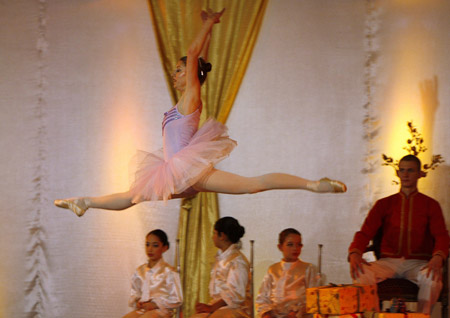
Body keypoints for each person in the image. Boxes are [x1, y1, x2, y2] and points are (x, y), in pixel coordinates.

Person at [54, 9, 346, 217]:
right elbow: (198, 59)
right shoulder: (180, 102)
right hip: (177, 174)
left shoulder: (193, 98)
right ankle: (84, 202)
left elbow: (194, 57)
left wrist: (209, 24)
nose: (175, 73)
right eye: (176, 70)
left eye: (179, 70)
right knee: (133, 197)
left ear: (190, 74)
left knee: (252, 185)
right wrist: (206, 33)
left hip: (187, 172)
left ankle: (313, 185)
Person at [348, 154, 450, 314]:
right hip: (388, 262)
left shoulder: (431, 205)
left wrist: (438, 256)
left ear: (419, 174)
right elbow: (365, 232)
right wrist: (355, 252)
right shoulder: (383, 204)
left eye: (410, 170)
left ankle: (422, 317)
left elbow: (441, 236)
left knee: (432, 279)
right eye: (402, 170)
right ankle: (375, 315)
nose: (405, 174)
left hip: (418, 263)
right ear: (397, 173)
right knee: (361, 274)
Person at [192, 216, 251, 318]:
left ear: (222, 236)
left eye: (214, 233)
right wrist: (209, 307)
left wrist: (211, 308)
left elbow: (235, 295)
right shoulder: (222, 258)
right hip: (220, 307)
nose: (212, 237)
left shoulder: (237, 261)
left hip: (235, 310)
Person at [256, 228, 319, 318]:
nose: (295, 248)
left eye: (299, 245)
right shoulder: (272, 269)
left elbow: (313, 299)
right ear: (280, 247)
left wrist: (296, 313)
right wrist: (266, 314)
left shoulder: (308, 269)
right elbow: (262, 297)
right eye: (290, 244)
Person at [123, 229, 183, 318]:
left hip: (161, 311)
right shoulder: (140, 271)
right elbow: (135, 292)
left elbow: (177, 299)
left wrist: (155, 304)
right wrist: (138, 301)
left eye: (155, 245)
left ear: (165, 248)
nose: (150, 249)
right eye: (147, 245)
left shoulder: (169, 271)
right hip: (143, 310)